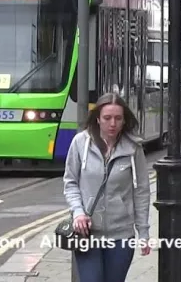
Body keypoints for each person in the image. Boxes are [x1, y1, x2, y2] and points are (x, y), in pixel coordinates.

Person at [63, 92, 151, 282]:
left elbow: (141, 191)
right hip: (88, 233)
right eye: (107, 118)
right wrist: (78, 212)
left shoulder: (133, 148)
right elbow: (70, 182)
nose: (113, 124)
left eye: (118, 118)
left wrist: (143, 232)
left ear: (124, 120)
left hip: (121, 235)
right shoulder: (80, 143)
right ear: (97, 118)